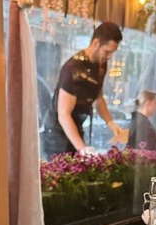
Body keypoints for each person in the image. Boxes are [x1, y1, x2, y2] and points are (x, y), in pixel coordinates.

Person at [41, 21, 123, 160]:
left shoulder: (100, 66)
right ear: (96, 43)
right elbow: (63, 114)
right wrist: (82, 149)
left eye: (112, 53)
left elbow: (98, 97)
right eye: (107, 52)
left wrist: (110, 123)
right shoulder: (73, 69)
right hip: (57, 133)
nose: (109, 57)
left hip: (76, 126)